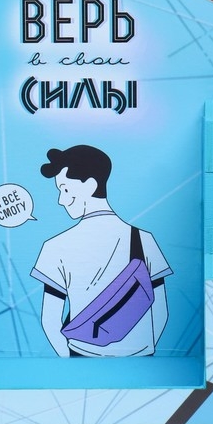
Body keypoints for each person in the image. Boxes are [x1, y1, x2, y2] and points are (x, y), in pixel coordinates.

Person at [31, 145, 171, 357]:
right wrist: (140, 351)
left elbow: (50, 321)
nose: (61, 200)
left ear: (90, 186)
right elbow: (161, 313)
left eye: (65, 189)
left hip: (81, 354)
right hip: (141, 357)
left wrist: (71, 361)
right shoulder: (144, 240)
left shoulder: (55, 247)